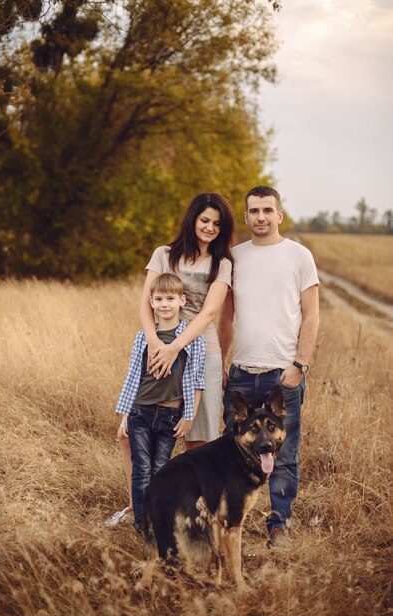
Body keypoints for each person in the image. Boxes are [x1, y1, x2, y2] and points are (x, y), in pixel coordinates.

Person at [107, 192, 234, 527]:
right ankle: (139, 507)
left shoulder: (222, 265)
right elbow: (145, 303)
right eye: (204, 220)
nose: (209, 228)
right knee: (131, 431)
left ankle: (193, 514)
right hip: (157, 345)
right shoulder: (164, 254)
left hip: (198, 350)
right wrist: (154, 342)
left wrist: (176, 346)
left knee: (198, 437)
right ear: (192, 218)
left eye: (217, 224)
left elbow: (208, 314)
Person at [218, 185, 320, 548]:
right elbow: (226, 318)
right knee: (234, 450)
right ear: (245, 217)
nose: (261, 217)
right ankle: (232, 520)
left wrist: (299, 365)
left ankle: (279, 525)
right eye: (254, 211)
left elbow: (311, 316)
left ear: (279, 215)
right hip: (242, 374)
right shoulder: (234, 258)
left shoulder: (298, 256)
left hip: (283, 375)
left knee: (284, 454)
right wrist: (222, 365)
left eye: (267, 210)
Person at [114, 273, 206, 530]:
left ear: (182, 300)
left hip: (170, 415)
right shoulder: (143, 336)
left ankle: (159, 521)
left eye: (170, 298)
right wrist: (125, 416)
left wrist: (189, 416)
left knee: (160, 468)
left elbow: (197, 380)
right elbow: (133, 376)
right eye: (159, 299)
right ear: (151, 303)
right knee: (141, 468)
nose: (164, 304)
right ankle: (143, 525)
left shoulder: (193, 339)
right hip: (140, 413)